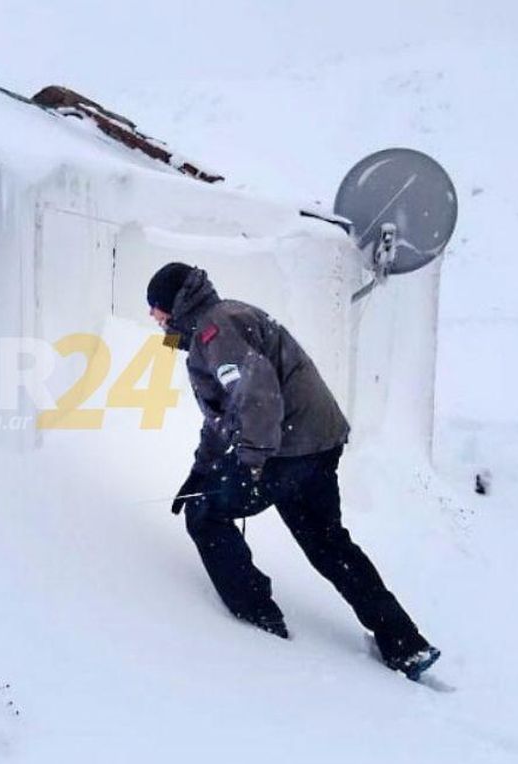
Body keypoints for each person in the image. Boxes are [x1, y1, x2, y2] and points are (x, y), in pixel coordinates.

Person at [146, 262, 441, 680]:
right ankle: (405, 643)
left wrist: (248, 466)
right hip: (315, 445)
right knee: (330, 547)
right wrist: (203, 468)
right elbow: (223, 416)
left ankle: (258, 621)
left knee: (206, 514)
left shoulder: (216, 330)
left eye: (156, 307)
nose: (153, 317)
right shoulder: (221, 320)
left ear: (175, 304)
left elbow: (256, 394)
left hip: (286, 450)